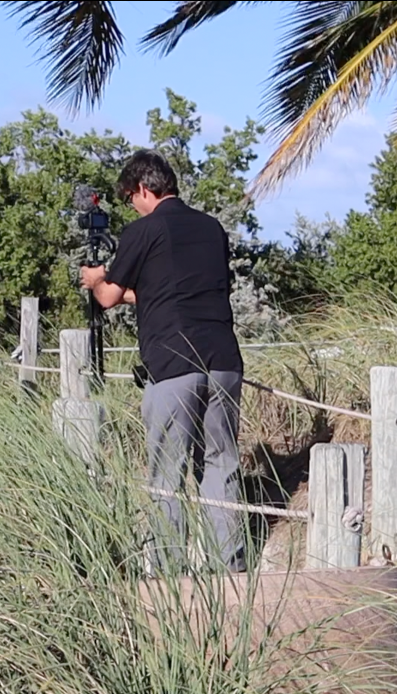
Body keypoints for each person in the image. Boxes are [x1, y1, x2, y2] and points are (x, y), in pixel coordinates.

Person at [79, 149, 247, 575]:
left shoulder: (144, 230)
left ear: (142, 189)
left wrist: (95, 279)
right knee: (221, 464)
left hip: (173, 361)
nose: (132, 206)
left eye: (129, 198)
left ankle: (169, 573)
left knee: (167, 473)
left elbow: (108, 297)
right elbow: (175, 290)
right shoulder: (211, 228)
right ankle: (229, 567)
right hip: (224, 360)